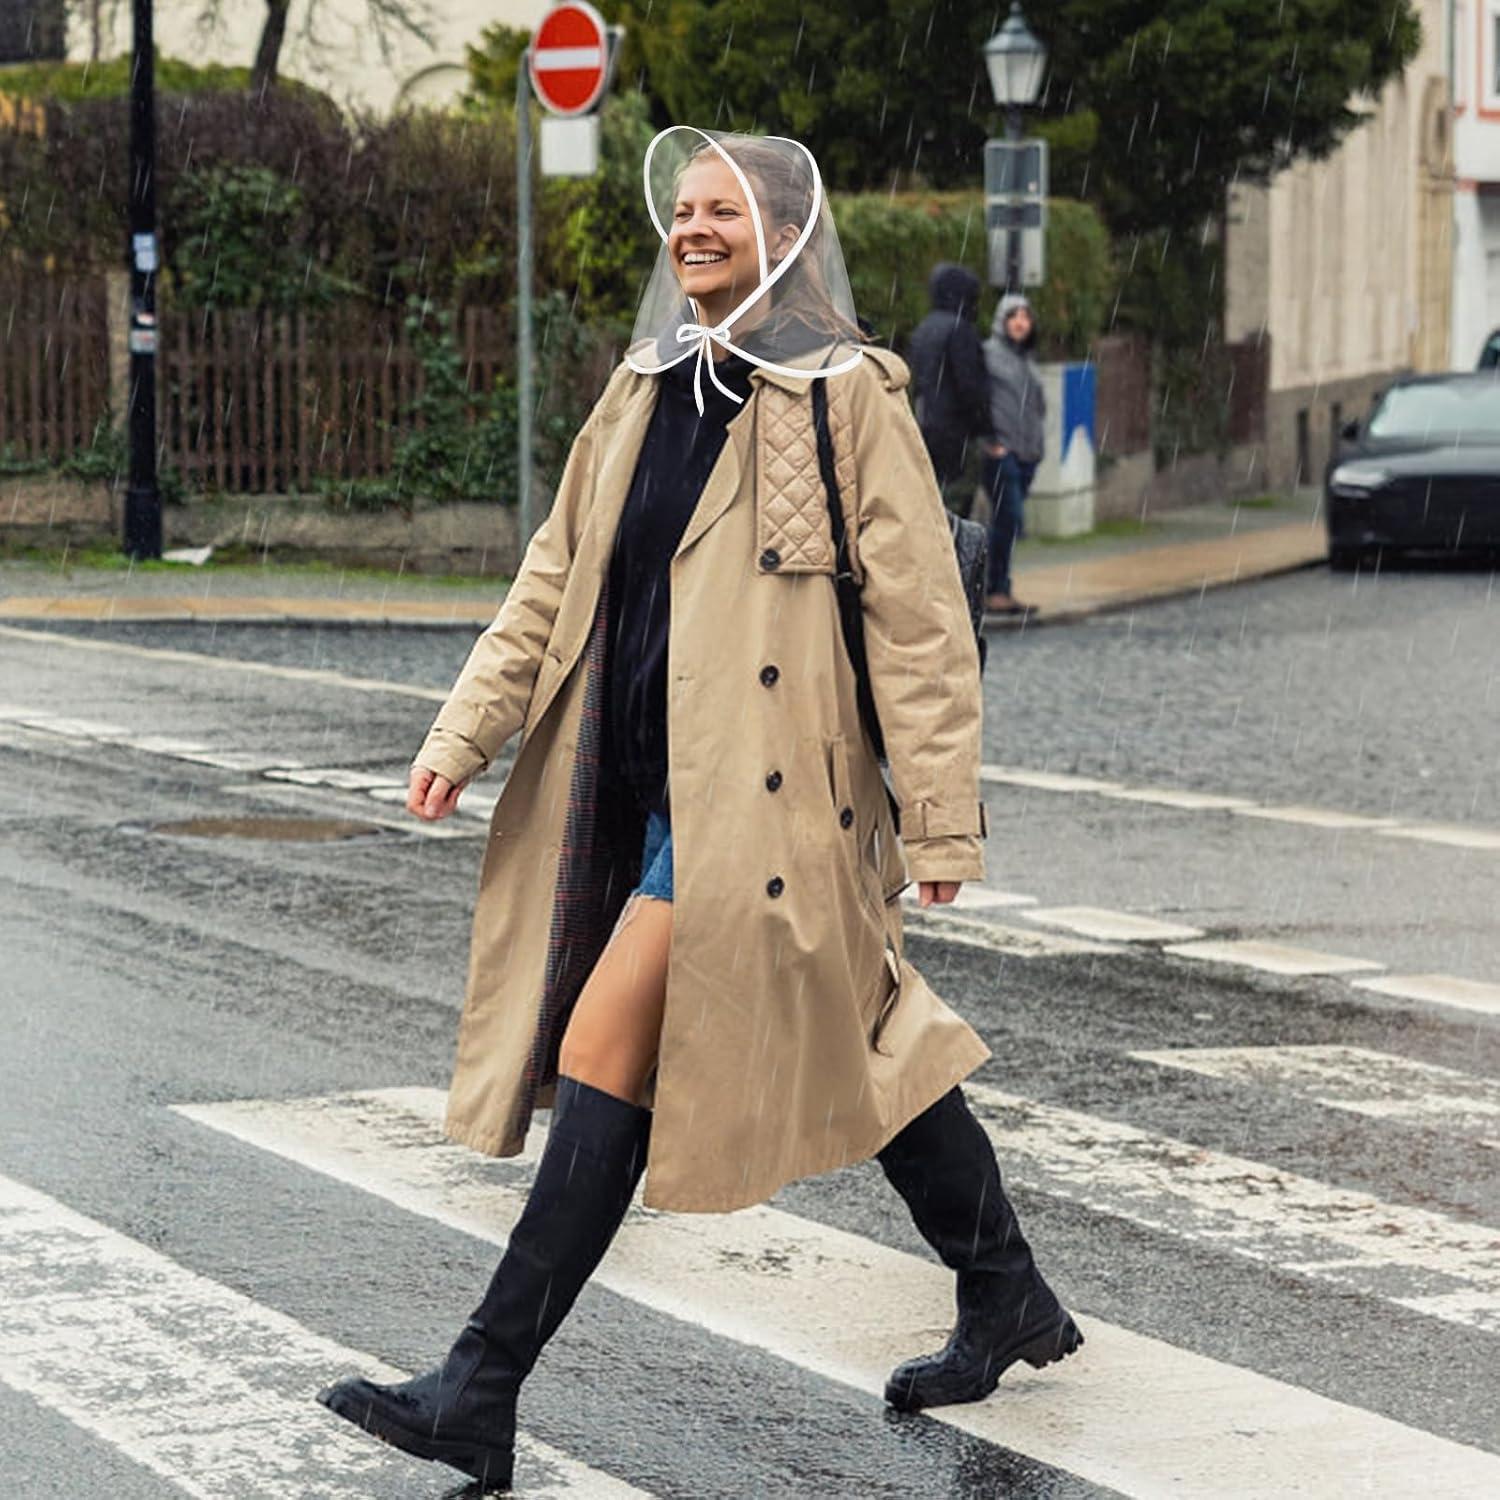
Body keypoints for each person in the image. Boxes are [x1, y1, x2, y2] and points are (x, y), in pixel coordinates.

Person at [316, 128, 1080, 1493]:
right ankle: (1006, 1290)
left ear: (786, 234)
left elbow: (919, 625)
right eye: (682, 209)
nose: (694, 229)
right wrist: (465, 730)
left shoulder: (845, 395)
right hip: (634, 788)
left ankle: (480, 1391)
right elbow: (552, 580)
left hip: (771, 806)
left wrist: (941, 820)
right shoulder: (642, 388)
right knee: (868, 1044)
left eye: (724, 209)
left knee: (604, 1048)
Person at [907, 263, 993, 518]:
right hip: (956, 432)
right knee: (958, 500)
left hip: (926, 426)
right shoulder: (960, 330)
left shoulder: (924, 329)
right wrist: (985, 427)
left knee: (934, 499)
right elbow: (970, 386)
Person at [982, 292, 1046, 615]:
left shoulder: (1028, 360)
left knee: (1008, 522)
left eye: (1026, 316)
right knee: (1009, 519)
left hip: (1027, 453)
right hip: (1001, 451)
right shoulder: (988, 355)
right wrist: (991, 440)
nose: (1021, 323)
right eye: (1014, 316)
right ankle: (994, 588)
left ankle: (999, 587)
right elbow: (979, 400)